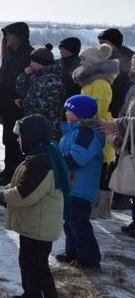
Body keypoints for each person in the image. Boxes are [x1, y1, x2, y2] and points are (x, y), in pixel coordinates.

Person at [0, 114, 69, 298]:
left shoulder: (41, 164)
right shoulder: (37, 156)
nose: (18, 139)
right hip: (33, 225)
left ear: (31, 137)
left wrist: (0, 196)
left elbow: (24, 194)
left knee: (37, 268)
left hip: (39, 228)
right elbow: (19, 184)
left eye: (21, 135)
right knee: (27, 263)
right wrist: (4, 191)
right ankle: (30, 293)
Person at [57, 95, 104, 269]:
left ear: (81, 115)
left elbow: (77, 159)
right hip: (71, 186)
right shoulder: (73, 130)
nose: (66, 112)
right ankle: (73, 253)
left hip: (81, 188)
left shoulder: (88, 134)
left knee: (79, 224)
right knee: (69, 222)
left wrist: (56, 161)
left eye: (70, 110)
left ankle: (89, 259)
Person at [74, 43, 119, 216]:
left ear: (93, 62)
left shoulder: (100, 82)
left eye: (84, 59)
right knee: (95, 168)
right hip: (90, 126)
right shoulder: (90, 80)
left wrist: (83, 116)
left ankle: (103, 208)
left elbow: (99, 106)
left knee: (103, 169)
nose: (82, 62)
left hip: (100, 127)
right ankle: (94, 203)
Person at [0, 22, 34, 185]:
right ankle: (8, 170)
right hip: (6, 104)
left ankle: (17, 174)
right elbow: (2, 77)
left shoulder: (29, 55)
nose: (7, 38)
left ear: (19, 36)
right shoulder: (10, 54)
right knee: (7, 139)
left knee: (19, 141)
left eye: (9, 34)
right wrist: (0, 108)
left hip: (19, 105)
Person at [99, 56, 135, 236]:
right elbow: (124, 111)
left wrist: (119, 124)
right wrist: (118, 132)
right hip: (131, 142)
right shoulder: (133, 87)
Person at [14, 44, 65, 137]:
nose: (30, 64)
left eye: (33, 61)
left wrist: (23, 103)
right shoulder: (35, 76)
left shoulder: (53, 80)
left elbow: (44, 105)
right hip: (33, 124)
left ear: (41, 63)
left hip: (47, 128)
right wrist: (24, 75)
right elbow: (20, 91)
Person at [98, 28, 134, 117]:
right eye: (99, 43)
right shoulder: (107, 57)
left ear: (113, 43)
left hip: (119, 106)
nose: (100, 46)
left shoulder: (126, 59)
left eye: (103, 43)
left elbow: (121, 87)